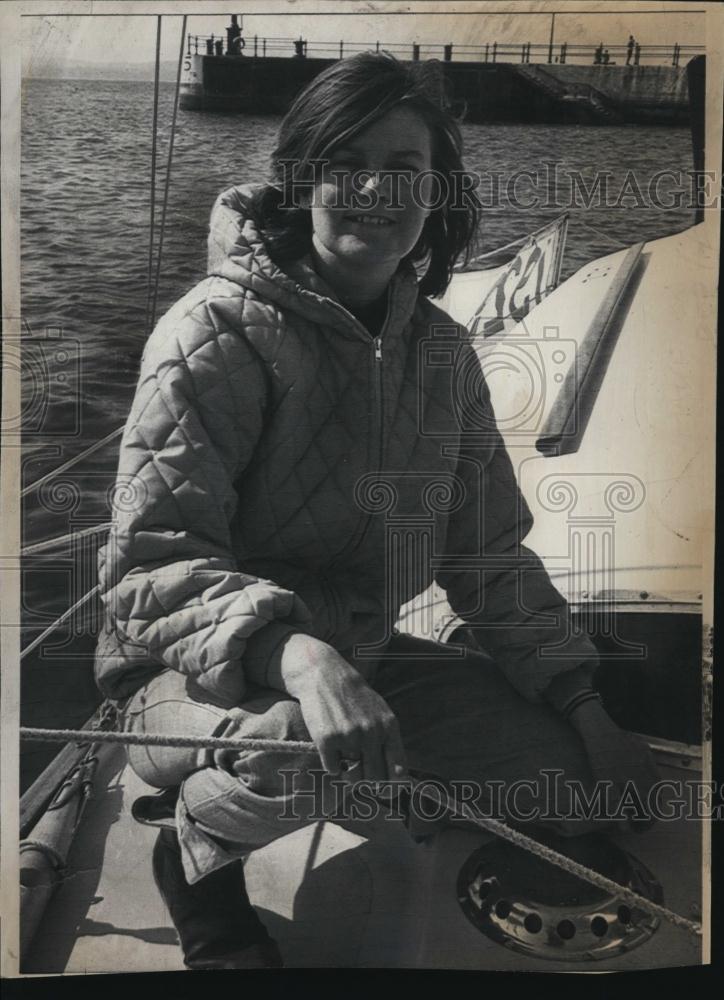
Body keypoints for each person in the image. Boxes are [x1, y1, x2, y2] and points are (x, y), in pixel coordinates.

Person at [95, 52, 659, 970]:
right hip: (190, 677)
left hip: (360, 658)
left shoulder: (441, 354)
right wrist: (301, 658)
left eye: (404, 169)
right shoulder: (214, 330)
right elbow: (148, 568)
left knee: (578, 780)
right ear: (301, 176)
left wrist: (585, 706)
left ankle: (389, 774)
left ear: (438, 194)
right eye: (344, 162)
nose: (372, 190)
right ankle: (195, 850)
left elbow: (487, 558)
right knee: (295, 743)